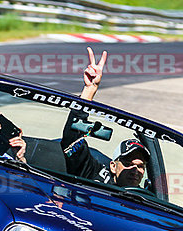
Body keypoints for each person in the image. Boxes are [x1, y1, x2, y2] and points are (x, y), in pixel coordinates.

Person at [62, 48, 151, 188]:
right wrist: (90, 90)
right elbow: (72, 140)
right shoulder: (96, 175)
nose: (135, 171)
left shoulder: (146, 199)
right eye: (128, 164)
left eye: (141, 166)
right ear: (113, 167)